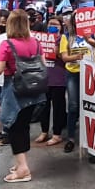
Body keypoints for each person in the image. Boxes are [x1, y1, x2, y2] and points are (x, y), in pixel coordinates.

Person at [0, 9, 46, 183]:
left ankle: (23, 168)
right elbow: (43, 64)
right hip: (34, 91)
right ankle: (21, 163)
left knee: (14, 128)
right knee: (23, 126)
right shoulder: (37, 43)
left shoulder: (6, 45)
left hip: (14, 91)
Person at [35, 16, 67, 147]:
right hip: (44, 77)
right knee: (44, 106)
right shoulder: (41, 39)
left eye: (55, 24)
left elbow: (66, 58)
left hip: (59, 78)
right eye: (50, 24)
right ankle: (44, 131)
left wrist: (57, 52)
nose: (52, 26)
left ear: (61, 26)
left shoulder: (63, 39)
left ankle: (57, 134)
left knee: (58, 107)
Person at [58, 16, 89, 154]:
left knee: (88, 106)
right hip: (73, 73)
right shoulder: (66, 37)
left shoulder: (91, 35)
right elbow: (64, 57)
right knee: (73, 105)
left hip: (89, 74)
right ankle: (71, 138)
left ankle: (88, 137)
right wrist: (77, 57)